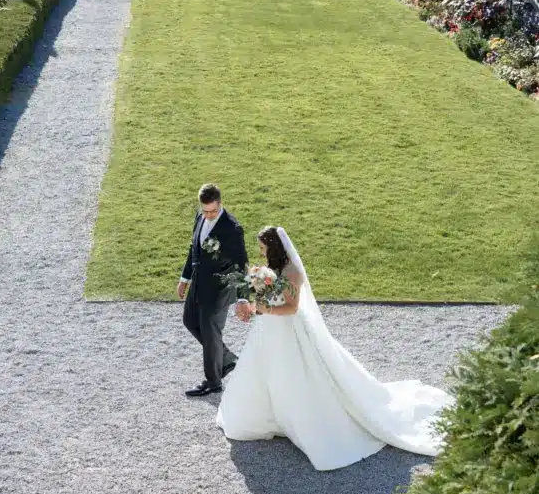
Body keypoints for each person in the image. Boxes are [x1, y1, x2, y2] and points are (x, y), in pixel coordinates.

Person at [217, 226, 453, 470]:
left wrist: (265, 309)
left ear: (274, 247)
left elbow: (292, 308)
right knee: (265, 371)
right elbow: (267, 296)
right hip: (268, 331)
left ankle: (302, 420)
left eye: (264, 248)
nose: (261, 252)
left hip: (289, 330)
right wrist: (257, 302)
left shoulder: (292, 272)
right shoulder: (269, 270)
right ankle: (271, 417)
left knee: (295, 373)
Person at [178, 184, 249, 397]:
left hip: (219, 288)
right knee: (190, 321)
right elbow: (194, 250)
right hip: (199, 283)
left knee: (210, 332)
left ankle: (213, 382)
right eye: (205, 211)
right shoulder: (200, 218)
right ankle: (226, 360)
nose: (208, 215)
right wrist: (184, 278)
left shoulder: (232, 229)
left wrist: (242, 298)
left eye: (213, 211)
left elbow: (241, 264)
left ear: (220, 204)